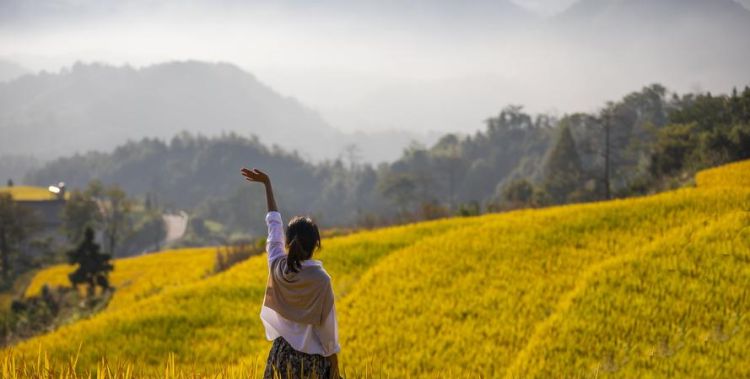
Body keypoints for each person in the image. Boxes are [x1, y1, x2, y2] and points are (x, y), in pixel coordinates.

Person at [241, 167, 341, 379]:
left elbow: (274, 227)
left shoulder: (278, 266)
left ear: (288, 243)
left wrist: (267, 184)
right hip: (311, 363)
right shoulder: (321, 281)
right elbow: (327, 330)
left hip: (280, 356)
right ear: (316, 245)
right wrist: (335, 367)